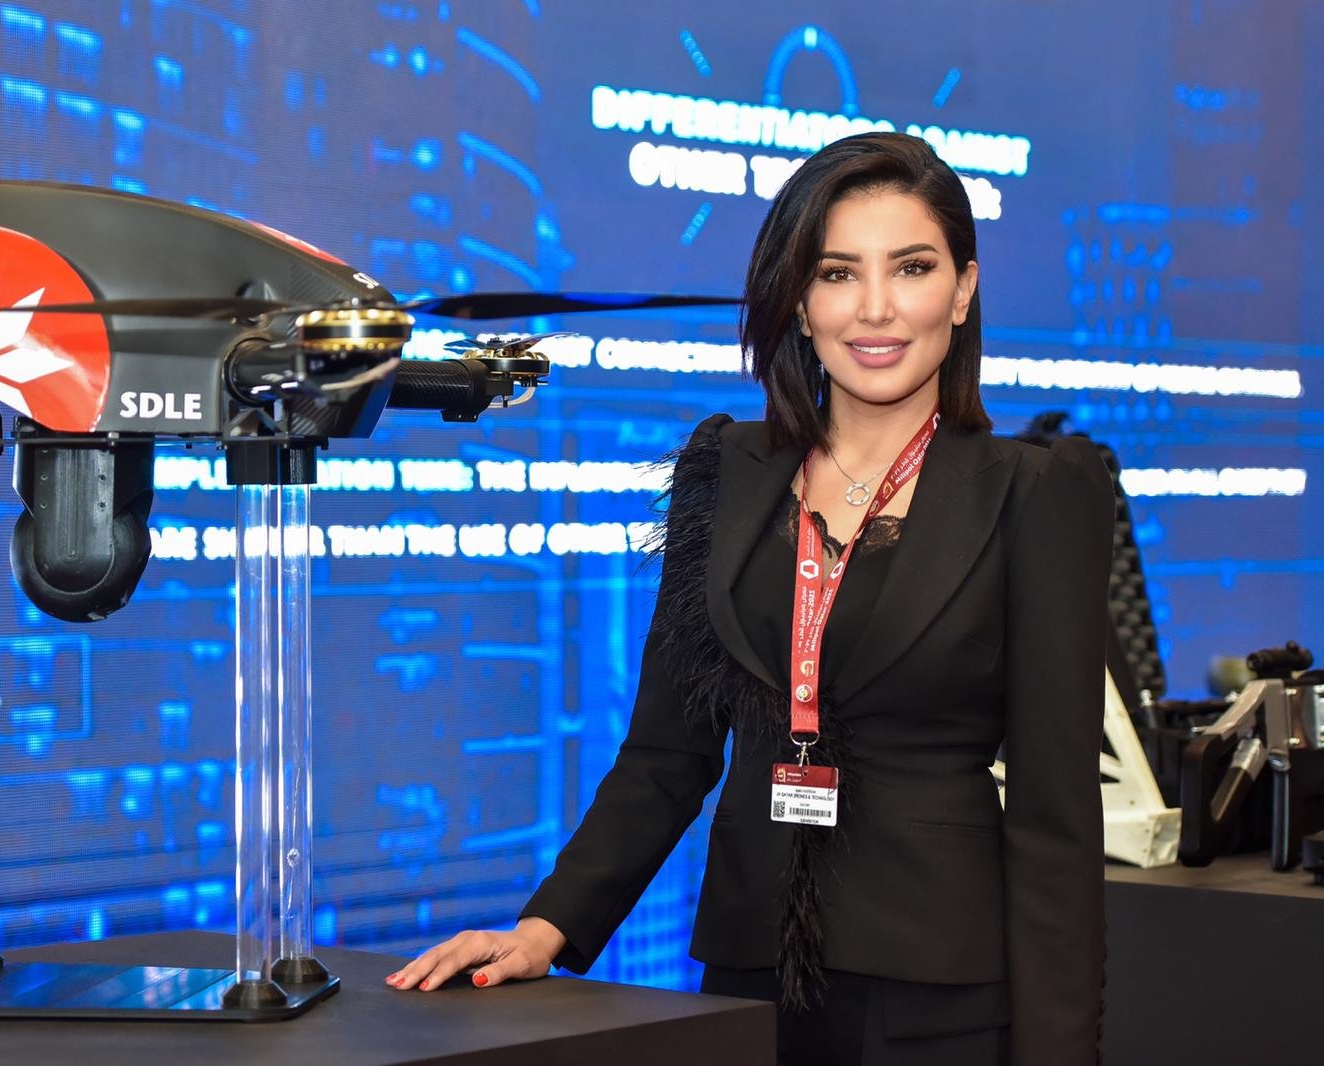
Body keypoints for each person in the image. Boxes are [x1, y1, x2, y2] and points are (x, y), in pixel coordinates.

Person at [386, 131, 1113, 1066]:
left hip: (942, 991)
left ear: (963, 290)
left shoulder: (1036, 491)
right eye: (838, 273)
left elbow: (1057, 821)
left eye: (913, 268)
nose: (877, 307)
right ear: (799, 303)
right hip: (748, 972)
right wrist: (546, 929)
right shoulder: (726, 470)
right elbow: (666, 754)